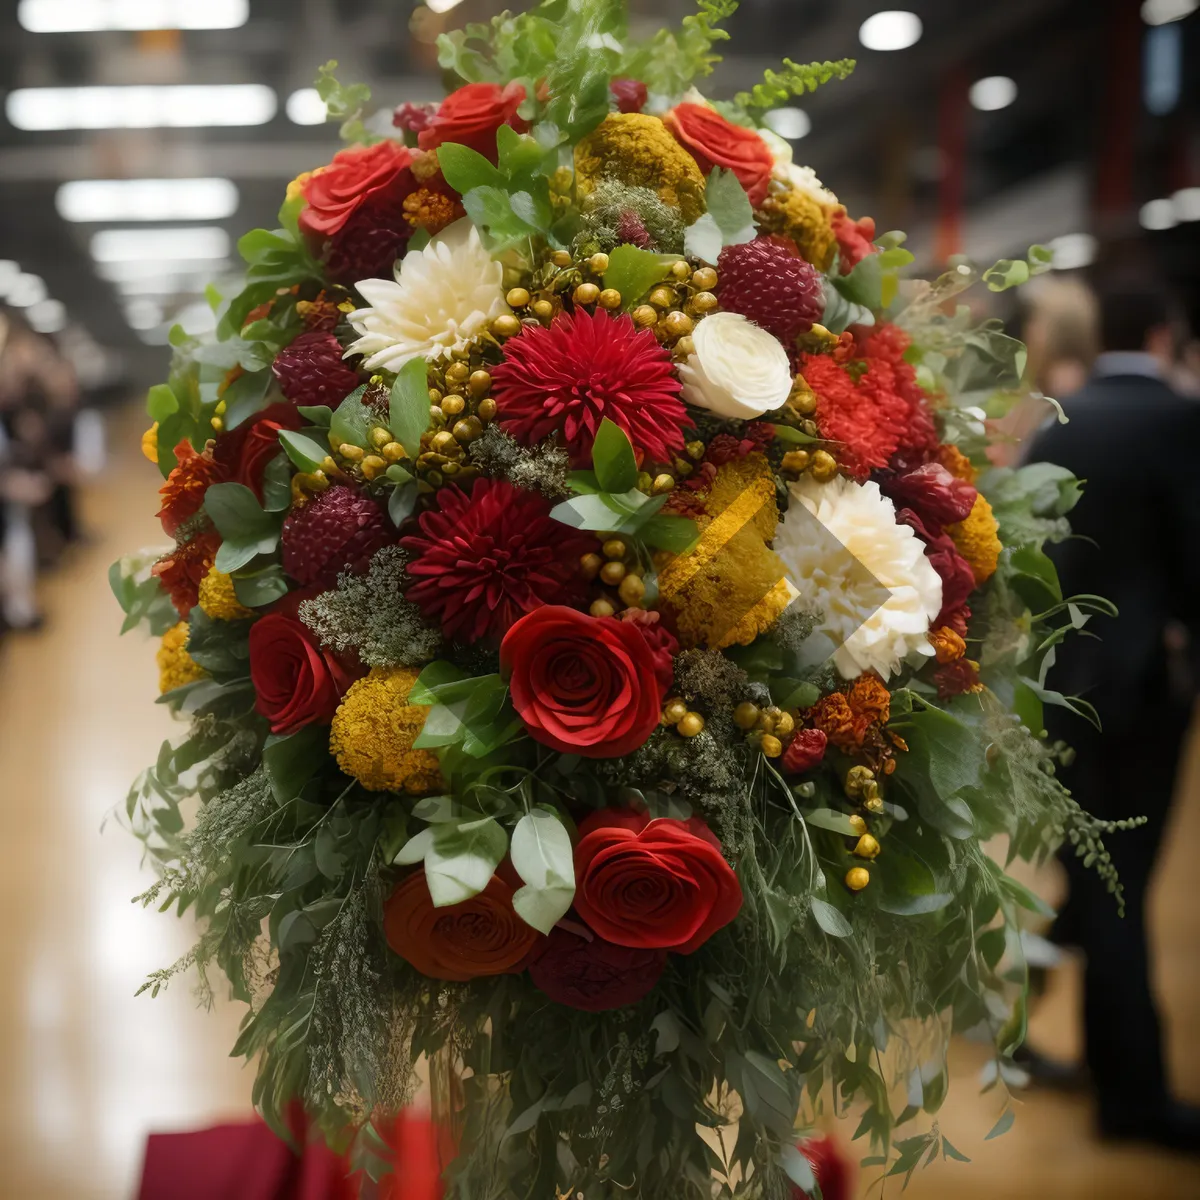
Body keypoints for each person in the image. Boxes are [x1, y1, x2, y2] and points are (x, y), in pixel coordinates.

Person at [1027, 278, 1200, 1152]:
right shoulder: (1175, 420)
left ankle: (1084, 1053)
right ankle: (1133, 1099)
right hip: (1142, 695)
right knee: (1120, 888)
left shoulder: (1062, 417)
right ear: (1165, 334)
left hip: (1060, 691)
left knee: (1096, 881)